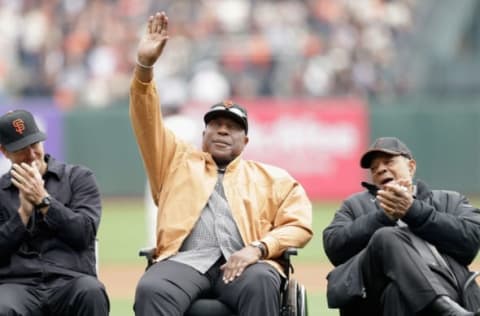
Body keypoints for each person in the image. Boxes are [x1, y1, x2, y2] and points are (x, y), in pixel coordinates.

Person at [130, 12, 313, 316]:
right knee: (152, 288)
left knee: (262, 282)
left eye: (233, 127)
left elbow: (300, 225)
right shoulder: (174, 162)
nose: (224, 130)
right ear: (203, 135)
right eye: (216, 124)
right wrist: (145, 67)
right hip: (185, 262)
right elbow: (146, 121)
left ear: (246, 141)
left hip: (247, 264)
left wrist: (259, 249)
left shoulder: (273, 179)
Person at [323, 136, 480, 316]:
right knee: (386, 237)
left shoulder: (448, 199)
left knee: (397, 292)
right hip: (372, 297)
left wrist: (413, 211)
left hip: (442, 283)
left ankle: (440, 304)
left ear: (411, 167)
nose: (381, 169)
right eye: (374, 168)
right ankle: (447, 310)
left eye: (388, 162)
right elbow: (334, 246)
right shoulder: (354, 205)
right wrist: (383, 217)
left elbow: (472, 238)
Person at [0, 110, 109, 315]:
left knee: (91, 292)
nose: (31, 155)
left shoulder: (78, 178)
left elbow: (84, 234)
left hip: (70, 279)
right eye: (22, 149)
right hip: (17, 284)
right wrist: (22, 215)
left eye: (34, 144)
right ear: (5, 151)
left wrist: (45, 201)